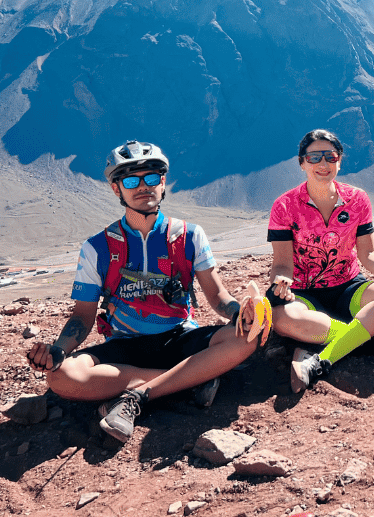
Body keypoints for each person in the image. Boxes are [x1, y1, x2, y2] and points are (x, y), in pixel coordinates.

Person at [25, 140, 258, 443]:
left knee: (249, 336)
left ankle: (137, 394)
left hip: (179, 337)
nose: (143, 186)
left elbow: (218, 297)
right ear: (115, 188)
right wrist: (58, 351)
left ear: (163, 183)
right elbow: (82, 317)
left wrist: (241, 313)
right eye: (131, 180)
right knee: (61, 376)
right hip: (124, 346)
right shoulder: (97, 247)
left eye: (151, 178)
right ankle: (190, 379)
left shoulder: (190, 235)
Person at [267, 129, 374, 393]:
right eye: (314, 157)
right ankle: (368, 336)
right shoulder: (284, 206)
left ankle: (321, 357)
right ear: (302, 162)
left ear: (339, 160)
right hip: (304, 295)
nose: (323, 164)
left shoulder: (357, 200)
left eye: (330, 156)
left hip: (349, 288)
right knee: (282, 318)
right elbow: (282, 263)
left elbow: (369, 254)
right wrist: (280, 282)